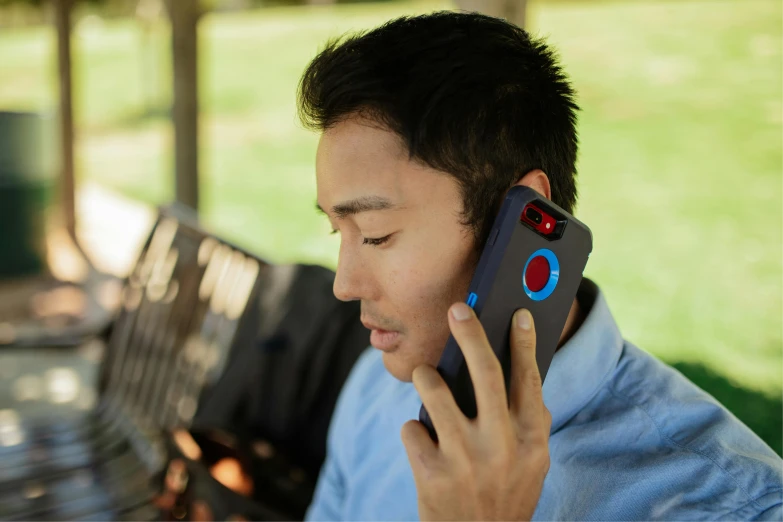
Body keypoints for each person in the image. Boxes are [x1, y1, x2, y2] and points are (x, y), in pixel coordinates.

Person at [297, 11, 783, 521]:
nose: (344, 286)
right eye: (338, 231)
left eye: (376, 234)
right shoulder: (381, 385)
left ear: (525, 212)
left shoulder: (727, 506)